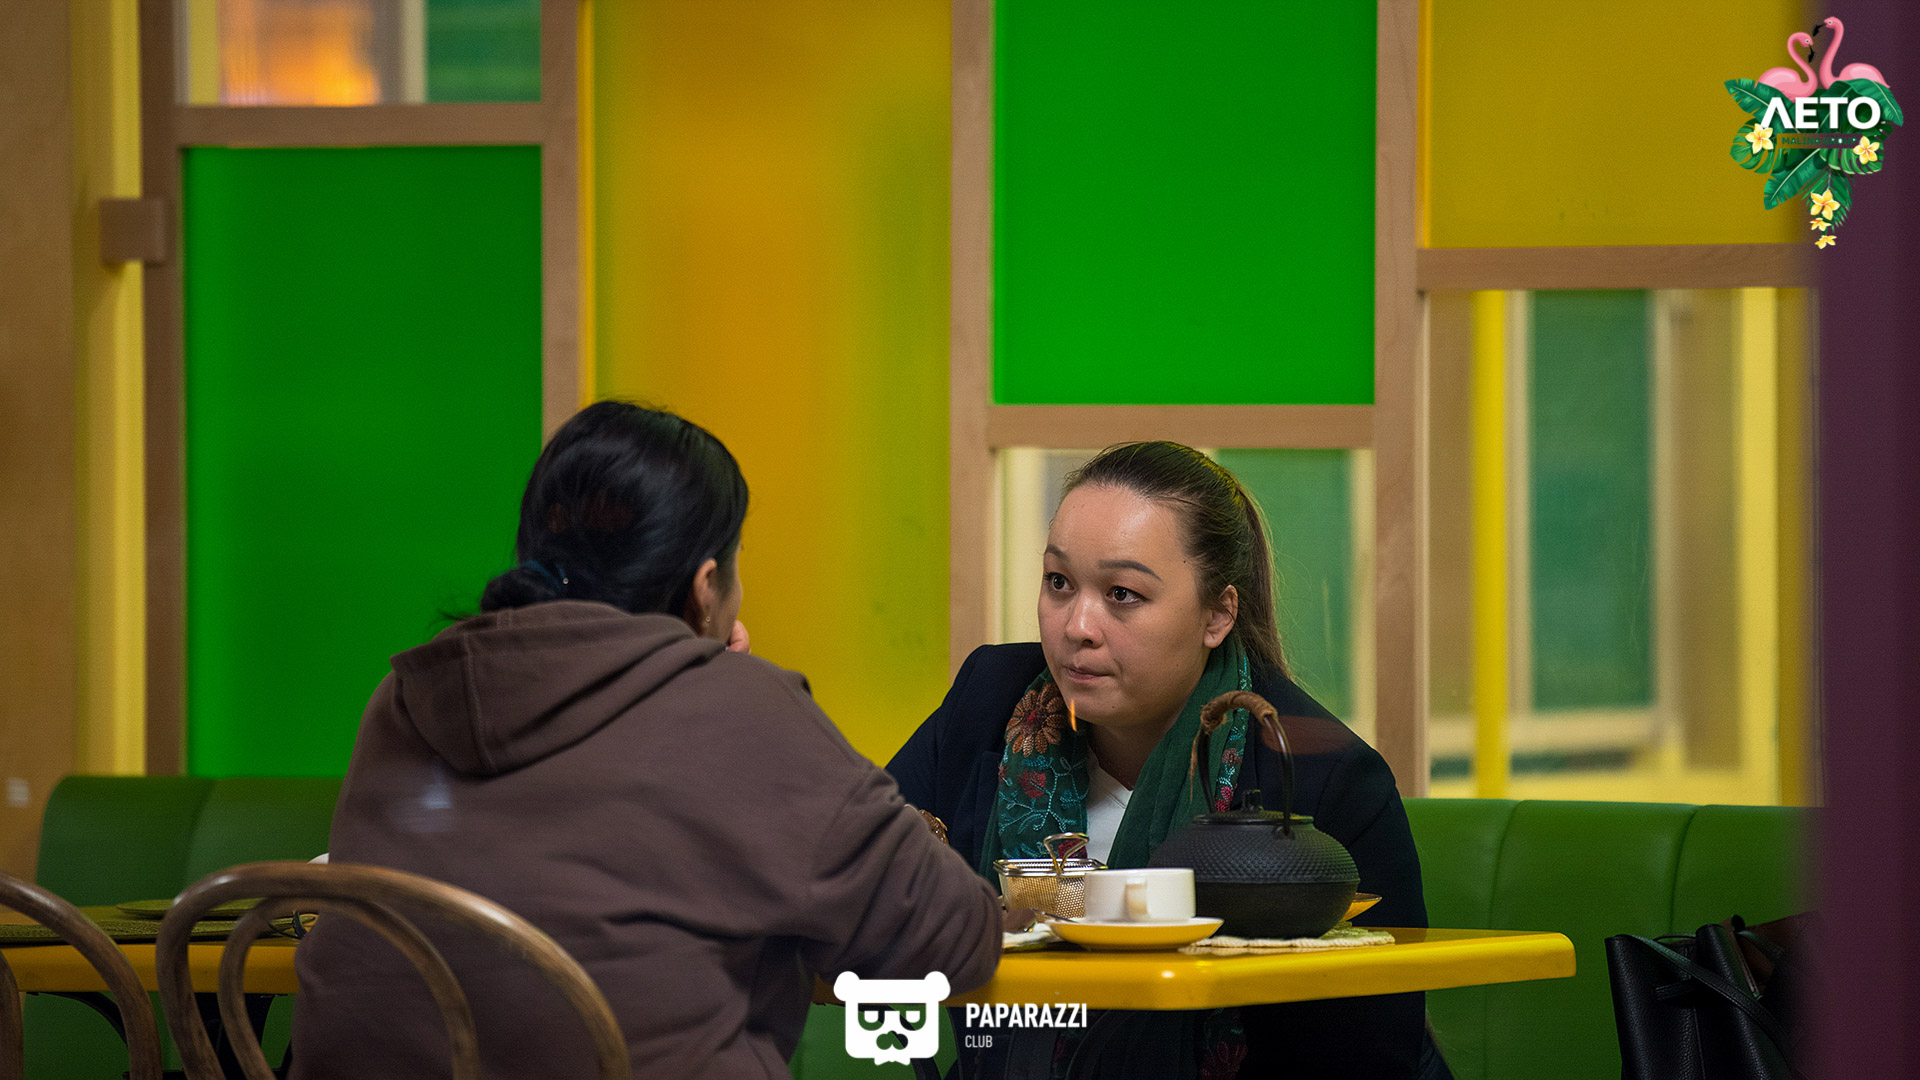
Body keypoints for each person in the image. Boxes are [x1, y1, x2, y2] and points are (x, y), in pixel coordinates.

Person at [292, 401, 1001, 1079]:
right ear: (705, 586)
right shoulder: (743, 710)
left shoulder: (404, 699)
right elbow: (954, 935)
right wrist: (731, 695)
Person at [888, 441, 1445, 1080]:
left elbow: (1368, 1047)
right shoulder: (989, 703)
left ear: (1218, 615)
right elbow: (849, 862)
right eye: (1059, 582)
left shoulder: (1324, 780)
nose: (1077, 625)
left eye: (1122, 593)